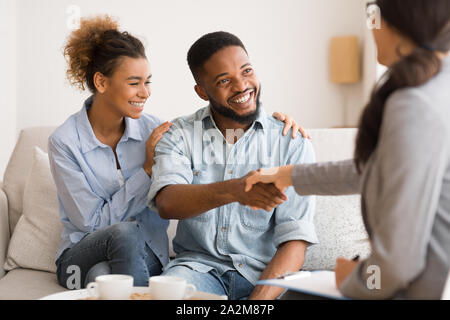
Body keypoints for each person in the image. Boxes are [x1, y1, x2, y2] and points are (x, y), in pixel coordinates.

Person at [49, 16, 308, 289]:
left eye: (147, 81)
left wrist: (272, 124)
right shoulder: (66, 141)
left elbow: (237, 118)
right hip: (82, 255)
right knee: (120, 240)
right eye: (134, 82)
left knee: (101, 277)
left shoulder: (158, 129)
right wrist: (146, 170)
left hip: (143, 255)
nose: (145, 93)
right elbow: (91, 224)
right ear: (101, 83)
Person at [244, 0, 450, 299]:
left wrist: (353, 280)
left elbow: (398, 263)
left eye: (373, 16)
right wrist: (286, 175)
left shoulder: (415, 104)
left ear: (402, 22)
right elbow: (378, 169)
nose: (370, 27)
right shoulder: (437, 87)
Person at [147, 31, 319, 300]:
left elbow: (295, 241)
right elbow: (168, 202)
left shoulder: (291, 142)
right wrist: (235, 190)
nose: (242, 86)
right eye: (224, 80)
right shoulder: (180, 134)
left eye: (246, 71)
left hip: (265, 278)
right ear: (202, 91)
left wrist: (255, 304)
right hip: (197, 271)